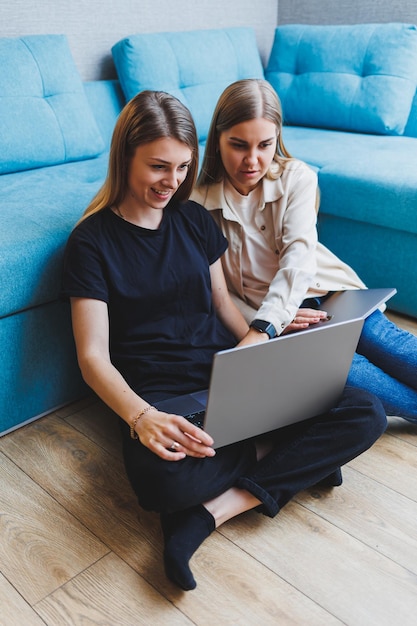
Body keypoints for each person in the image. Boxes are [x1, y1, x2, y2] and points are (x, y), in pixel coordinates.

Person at [61, 89, 386, 592]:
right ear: (124, 155)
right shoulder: (90, 243)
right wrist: (141, 417)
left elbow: (223, 306)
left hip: (227, 372)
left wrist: (259, 353)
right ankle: (292, 459)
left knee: (365, 412)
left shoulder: (192, 218)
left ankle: (211, 513)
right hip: (163, 397)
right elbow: (92, 356)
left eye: (183, 167)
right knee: (159, 482)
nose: (172, 182)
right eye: (158, 167)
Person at [192, 78, 417, 424]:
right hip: (277, 320)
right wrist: (262, 323)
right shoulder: (197, 203)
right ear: (218, 139)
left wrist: (264, 326)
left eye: (265, 145)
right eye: (238, 145)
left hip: (328, 293)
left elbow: (298, 260)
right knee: (352, 374)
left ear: (278, 138)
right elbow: (215, 291)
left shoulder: (297, 177)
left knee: (389, 345)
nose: (253, 160)